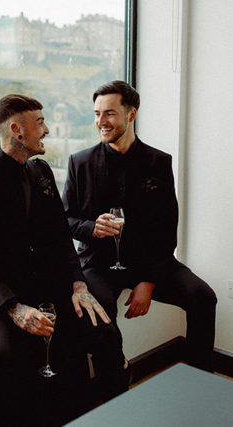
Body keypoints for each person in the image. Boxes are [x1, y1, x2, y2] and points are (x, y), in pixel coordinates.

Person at [0, 94, 124, 427]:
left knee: (105, 332)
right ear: (17, 130)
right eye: (39, 123)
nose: (47, 130)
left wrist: (78, 283)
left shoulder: (40, 171)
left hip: (50, 289)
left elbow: (60, 237)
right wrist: (14, 308)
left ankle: (116, 417)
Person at [62, 80, 217, 375]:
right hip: (98, 263)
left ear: (131, 114)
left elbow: (167, 226)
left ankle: (201, 383)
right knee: (102, 310)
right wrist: (91, 228)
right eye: (96, 114)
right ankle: (116, 382)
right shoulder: (78, 162)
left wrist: (148, 280)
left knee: (203, 297)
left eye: (109, 113)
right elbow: (65, 220)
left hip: (151, 261)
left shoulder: (159, 162)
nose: (101, 122)